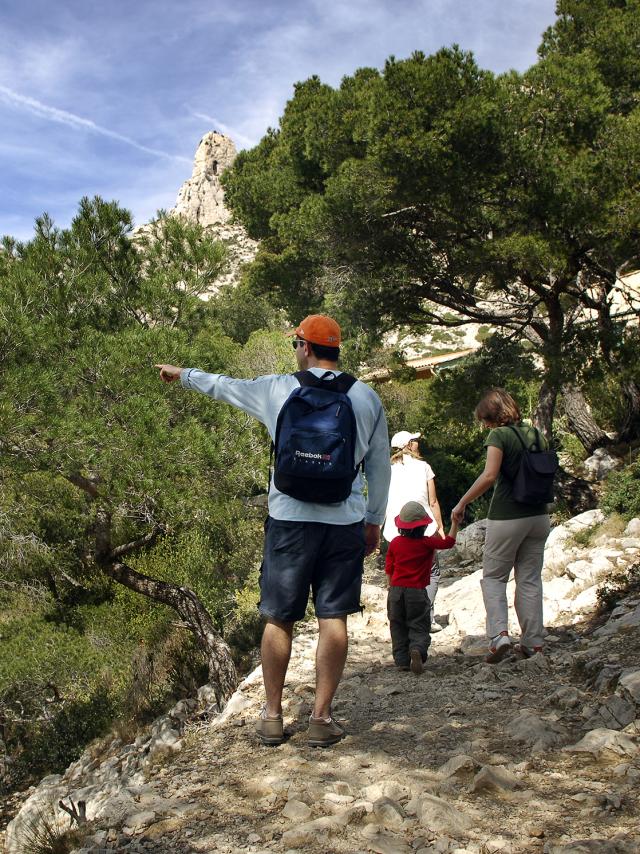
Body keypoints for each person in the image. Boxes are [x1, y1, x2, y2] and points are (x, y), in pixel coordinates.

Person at [156, 314, 391, 747]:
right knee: (333, 618)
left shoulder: (278, 388)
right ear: (336, 349)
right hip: (344, 521)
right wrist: (374, 521)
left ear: (304, 346)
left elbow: (225, 386)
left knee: (279, 618)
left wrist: (182, 374)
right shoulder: (366, 397)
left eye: (295, 345)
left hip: (289, 521)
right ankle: (321, 718)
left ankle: (271, 716)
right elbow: (378, 465)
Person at [451, 389, 551, 664]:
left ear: (492, 417)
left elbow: (490, 474)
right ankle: (534, 643)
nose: (484, 425)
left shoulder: (498, 436)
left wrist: (462, 502)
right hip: (539, 516)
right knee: (529, 578)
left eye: (485, 419)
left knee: (494, 577)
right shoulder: (536, 434)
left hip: (507, 515)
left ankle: (499, 636)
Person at [383, 431, 445, 630]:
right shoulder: (424, 467)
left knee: (397, 572)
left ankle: (399, 616)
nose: (418, 443)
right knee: (431, 572)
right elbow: (432, 501)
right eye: (415, 440)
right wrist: (441, 527)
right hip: (423, 529)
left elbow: (380, 501)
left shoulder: (387, 470)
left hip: (394, 530)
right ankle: (425, 616)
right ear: (409, 445)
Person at [385, 501, 457, 674]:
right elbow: (449, 543)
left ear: (401, 526)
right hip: (416, 591)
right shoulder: (427, 543)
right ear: (424, 525)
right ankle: (417, 649)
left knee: (397, 625)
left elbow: (389, 568)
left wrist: (391, 587)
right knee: (419, 624)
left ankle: (402, 661)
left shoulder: (394, 543)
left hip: (396, 591)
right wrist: (455, 523)